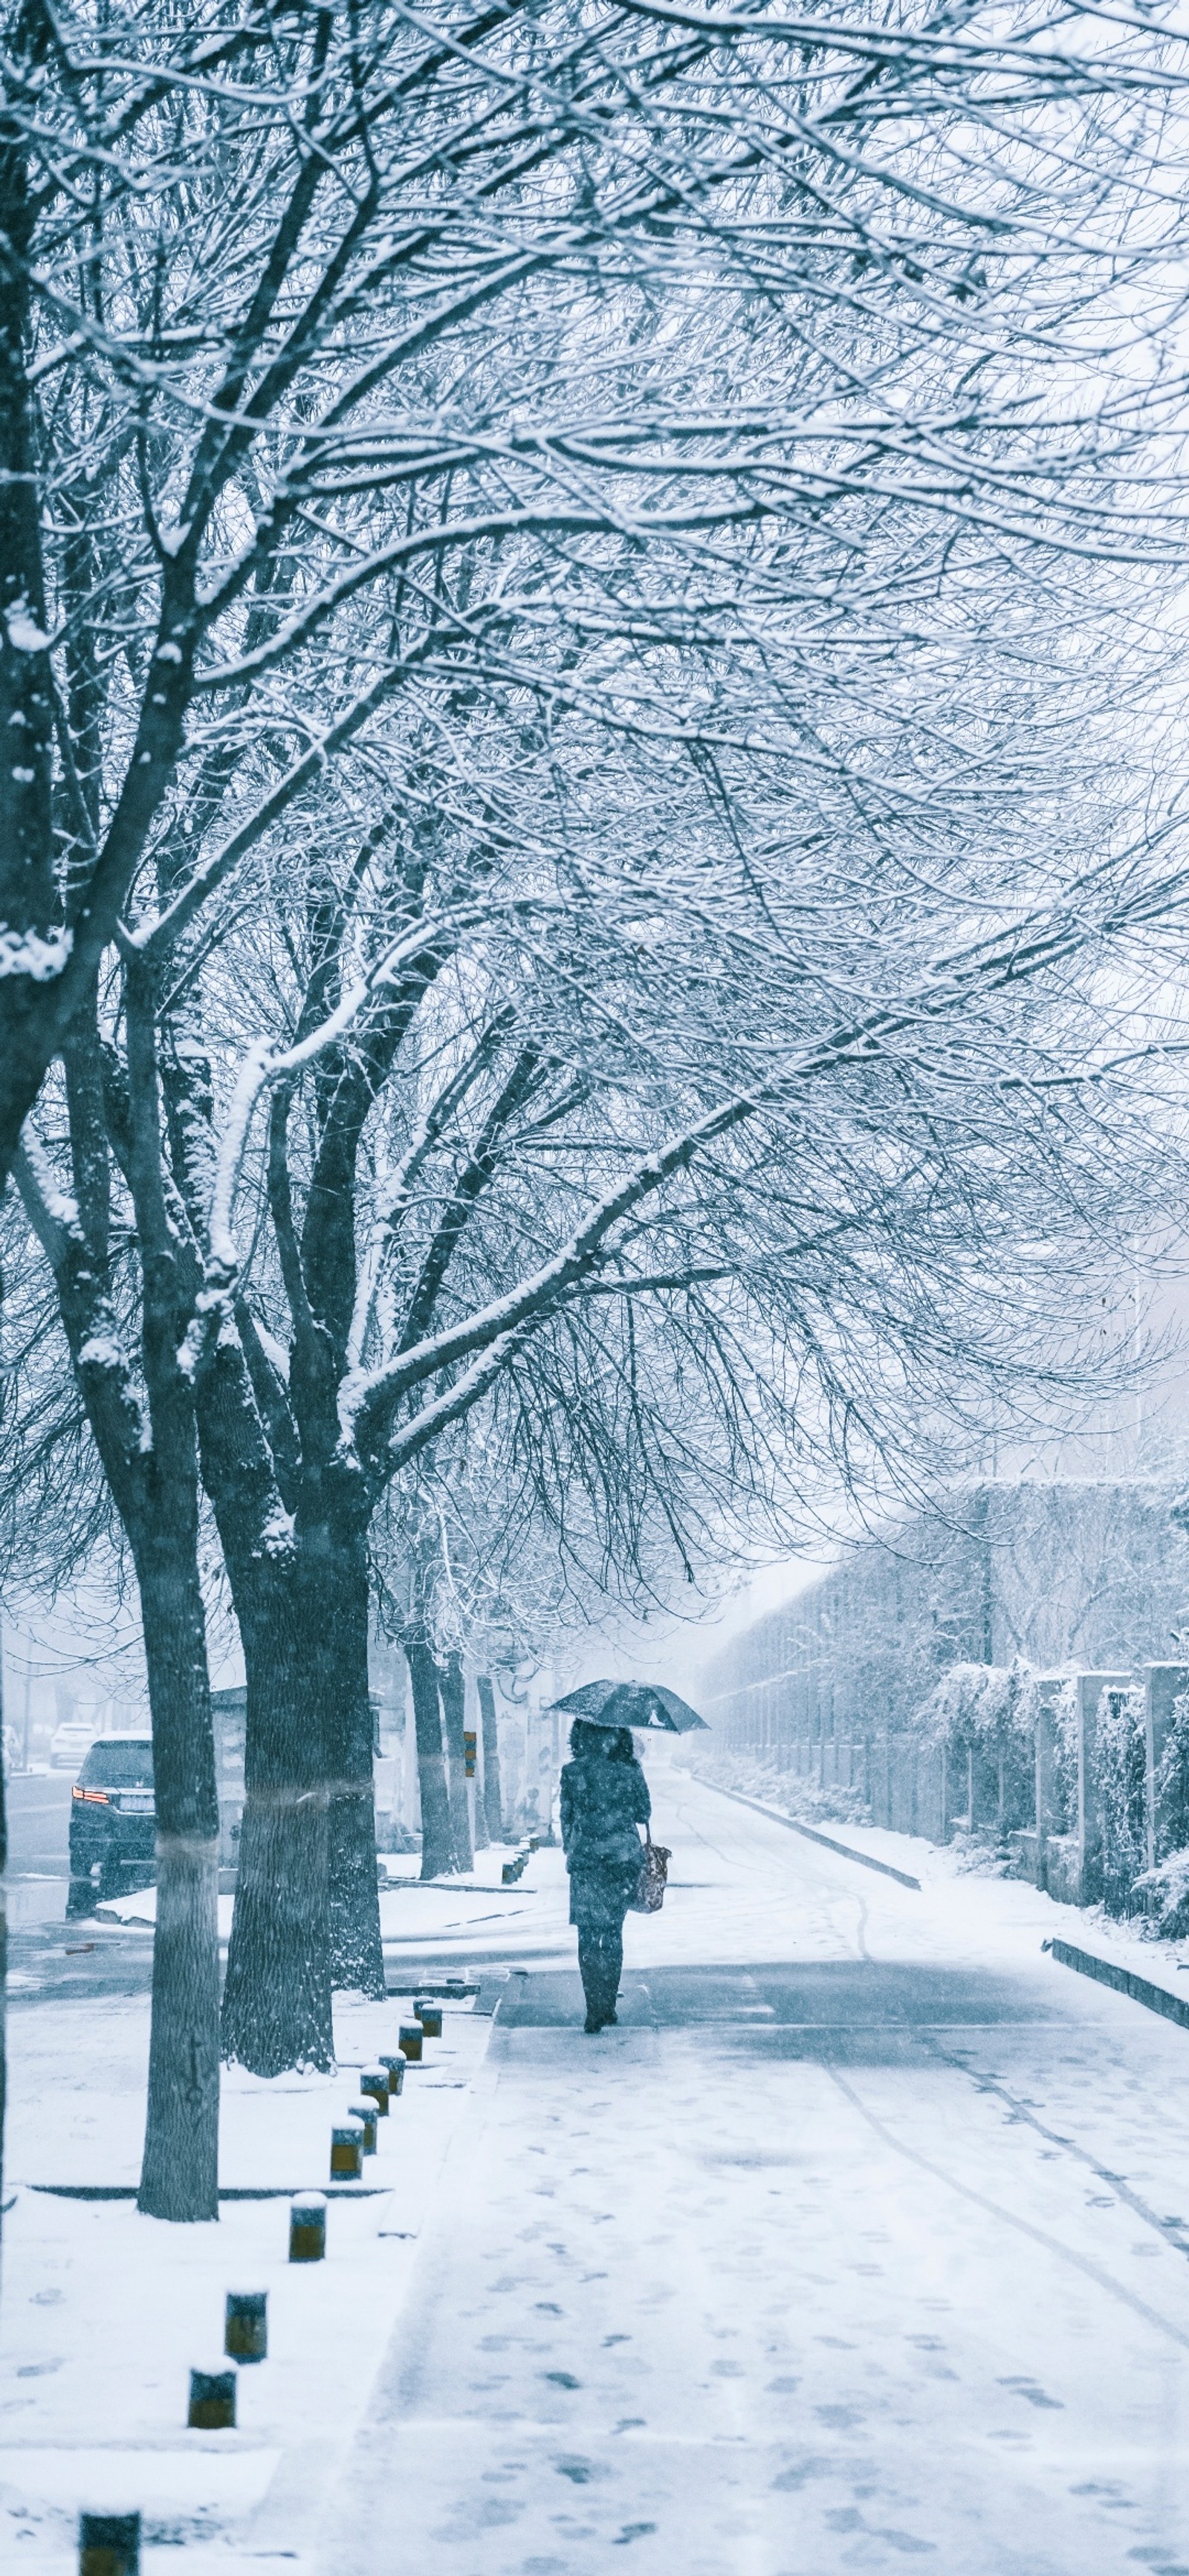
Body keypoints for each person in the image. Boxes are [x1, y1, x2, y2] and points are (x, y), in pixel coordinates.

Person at [560, 1719, 651, 2032]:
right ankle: (608, 2005)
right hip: (621, 1861)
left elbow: (566, 1817)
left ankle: (592, 2008)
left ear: (581, 1736)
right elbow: (643, 1813)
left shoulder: (573, 1772)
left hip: (586, 1862)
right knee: (613, 1933)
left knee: (587, 1936)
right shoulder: (629, 1770)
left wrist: (573, 1846)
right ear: (619, 1736)